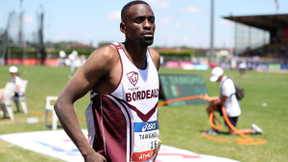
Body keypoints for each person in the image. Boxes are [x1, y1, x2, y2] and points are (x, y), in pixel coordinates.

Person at [54, 1, 161, 162]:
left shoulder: (154, 58)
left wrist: (156, 135)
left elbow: (149, 105)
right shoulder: (107, 57)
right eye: (139, 20)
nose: (147, 25)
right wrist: (88, 153)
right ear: (123, 28)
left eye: (151, 20)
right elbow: (63, 103)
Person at [203, 66, 263, 135]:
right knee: (209, 108)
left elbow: (222, 100)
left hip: (231, 111)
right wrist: (210, 99)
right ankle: (214, 129)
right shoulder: (224, 82)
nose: (216, 80)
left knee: (232, 132)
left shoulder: (226, 84)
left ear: (221, 76)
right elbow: (221, 97)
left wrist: (212, 103)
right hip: (226, 107)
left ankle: (253, 130)